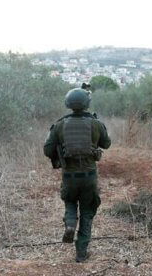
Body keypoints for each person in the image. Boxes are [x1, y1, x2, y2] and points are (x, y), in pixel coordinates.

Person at [43, 88, 111, 263]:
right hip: (89, 176)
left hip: (69, 176)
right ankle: (81, 253)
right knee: (87, 212)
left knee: (70, 202)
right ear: (86, 104)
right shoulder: (95, 124)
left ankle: (70, 224)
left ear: (68, 104)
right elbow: (107, 143)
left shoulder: (59, 125)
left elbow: (47, 150)